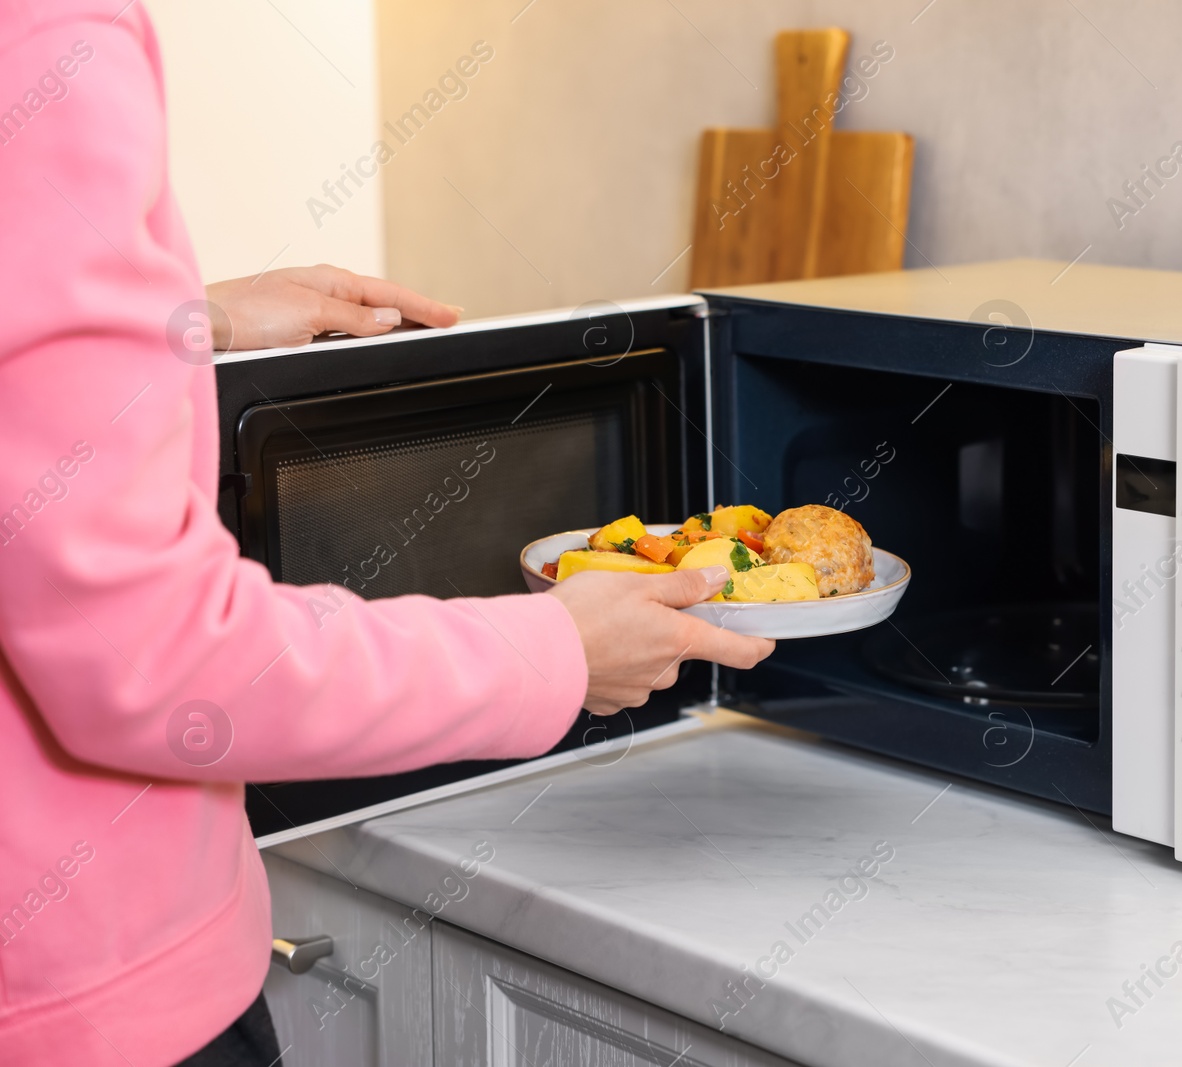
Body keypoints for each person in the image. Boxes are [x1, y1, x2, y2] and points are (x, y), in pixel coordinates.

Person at [0, 3, 775, 1064]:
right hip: (78, 997)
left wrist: (175, 316)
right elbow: (154, 660)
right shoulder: (44, 39)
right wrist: (554, 651)